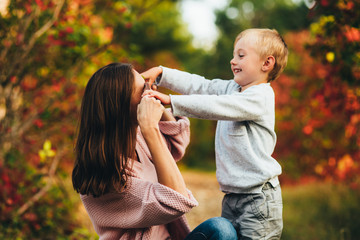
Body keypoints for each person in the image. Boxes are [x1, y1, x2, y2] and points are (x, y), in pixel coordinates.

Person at [141, 28, 288, 240]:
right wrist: (163, 73)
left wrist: (172, 102)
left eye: (241, 55)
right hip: (232, 198)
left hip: (258, 199)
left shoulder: (260, 97)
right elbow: (201, 85)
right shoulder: (232, 88)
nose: (232, 60)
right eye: (234, 55)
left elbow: (216, 105)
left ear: (266, 63)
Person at [72, 62, 237, 240]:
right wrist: (150, 128)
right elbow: (177, 200)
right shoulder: (106, 170)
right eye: (143, 89)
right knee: (221, 229)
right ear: (120, 106)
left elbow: (177, 144)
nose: (148, 92)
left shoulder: (135, 136)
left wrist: (158, 100)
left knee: (221, 229)